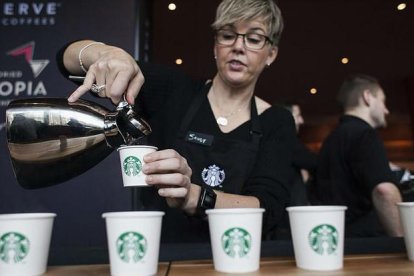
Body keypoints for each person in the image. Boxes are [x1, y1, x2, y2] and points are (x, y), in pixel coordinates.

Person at [57, 0, 296, 242]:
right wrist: (107, 54)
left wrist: (194, 196)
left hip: (235, 258)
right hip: (164, 257)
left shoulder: (276, 121)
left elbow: (266, 211)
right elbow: (64, 60)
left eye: (253, 39)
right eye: (227, 35)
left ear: (271, 54)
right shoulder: (173, 91)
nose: (238, 46)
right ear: (215, 46)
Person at [309, 74, 403, 237]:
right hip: (367, 243)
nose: (386, 110)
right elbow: (384, 191)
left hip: (336, 237)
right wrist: (403, 241)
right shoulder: (365, 134)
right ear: (367, 97)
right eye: (383, 101)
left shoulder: (331, 139)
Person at [282, 103, 317, 206]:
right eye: (297, 115)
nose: (301, 121)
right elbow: (314, 162)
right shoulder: (286, 141)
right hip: (290, 207)